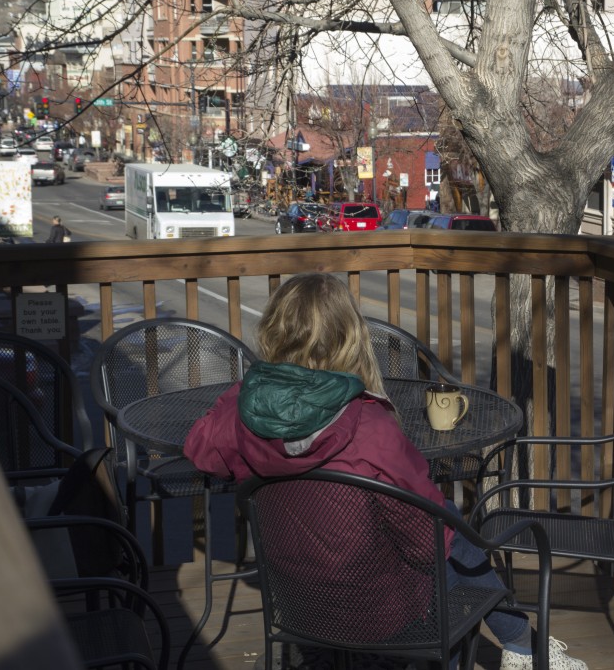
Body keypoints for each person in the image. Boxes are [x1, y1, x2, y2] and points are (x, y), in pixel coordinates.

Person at [184, 273, 587, 670]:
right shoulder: (369, 425)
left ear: (274, 329)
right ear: (351, 337)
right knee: (449, 528)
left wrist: (238, 394)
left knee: (443, 521)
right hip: (381, 612)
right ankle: (522, 645)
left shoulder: (241, 411)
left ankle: (521, 645)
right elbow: (425, 544)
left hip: (295, 603)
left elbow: (199, 449)